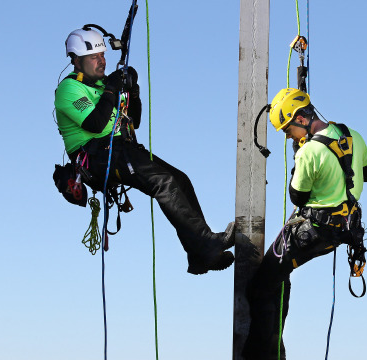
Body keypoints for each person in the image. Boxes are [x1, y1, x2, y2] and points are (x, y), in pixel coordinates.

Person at [54, 28, 234, 275]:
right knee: (164, 183)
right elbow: (94, 123)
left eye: (102, 55)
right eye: (94, 57)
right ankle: (206, 242)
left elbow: (134, 121)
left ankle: (199, 256)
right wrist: (111, 90)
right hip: (96, 156)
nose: (102, 61)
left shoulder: (104, 86)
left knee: (180, 179)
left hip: (120, 148)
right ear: (76, 60)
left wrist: (132, 90)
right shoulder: (69, 89)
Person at [243, 88, 367, 359]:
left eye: (287, 129)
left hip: (313, 231)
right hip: (342, 231)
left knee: (258, 288)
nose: (287, 135)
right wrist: (341, 171)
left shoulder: (309, 153)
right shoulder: (351, 135)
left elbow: (297, 195)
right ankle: (274, 348)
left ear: (301, 120)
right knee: (278, 276)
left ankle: (261, 354)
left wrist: (302, 157)